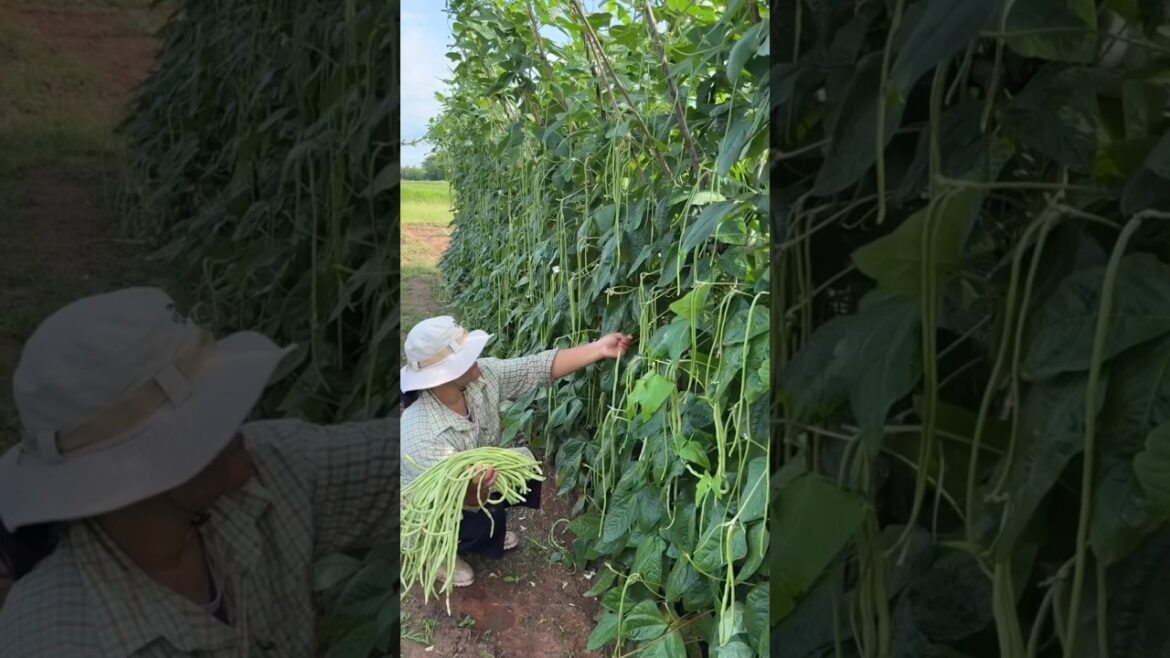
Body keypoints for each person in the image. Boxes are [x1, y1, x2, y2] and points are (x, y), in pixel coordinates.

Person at [0, 287, 397, 656]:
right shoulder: (56, 640)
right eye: (208, 415)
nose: (238, 414)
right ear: (135, 472)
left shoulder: (271, 470)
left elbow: (404, 460)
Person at [399, 316, 631, 587]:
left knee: (521, 469)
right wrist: (477, 486)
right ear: (443, 376)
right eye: (466, 356)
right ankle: (437, 554)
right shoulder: (421, 435)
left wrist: (598, 349)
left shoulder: (480, 379)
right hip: (436, 510)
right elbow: (458, 500)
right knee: (479, 519)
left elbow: (535, 368)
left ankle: (488, 531)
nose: (477, 357)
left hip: (477, 477)